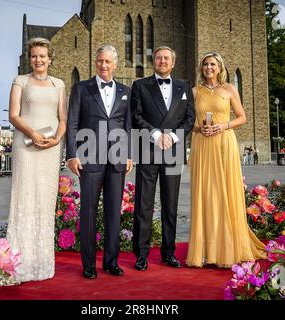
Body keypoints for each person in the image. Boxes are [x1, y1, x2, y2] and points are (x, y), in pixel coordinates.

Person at [186, 51, 266, 268]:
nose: (208, 68)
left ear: (220, 67)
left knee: (225, 193)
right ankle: (205, 250)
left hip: (224, 144)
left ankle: (229, 248)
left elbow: (242, 117)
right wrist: (198, 128)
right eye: (205, 64)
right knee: (205, 194)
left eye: (212, 64)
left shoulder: (230, 89)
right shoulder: (195, 91)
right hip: (202, 144)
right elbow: (187, 122)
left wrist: (223, 125)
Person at [66, 45, 133, 279]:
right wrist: (72, 155)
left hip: (117, 159)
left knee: (114, 212)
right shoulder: (81, 89)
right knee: (88, 212)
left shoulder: (126, 90)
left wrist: (129, 155)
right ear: (95, 62)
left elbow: (127, 126)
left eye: (107, 62)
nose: (103, 65)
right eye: (99, 61)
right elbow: (72, 124)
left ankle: (111, 262)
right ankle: (88, 265)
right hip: (89, 157)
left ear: (115, 64)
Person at [6, 37, 67, 282]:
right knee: (24, 196)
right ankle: (19, 263)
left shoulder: (59, 84)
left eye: (43, 56)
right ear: (29, 58)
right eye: (34, 56)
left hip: (51, 148)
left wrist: (57, 139)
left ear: (50, 58)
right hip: (26, 145)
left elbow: (63, 118)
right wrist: (31, 132)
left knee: (44, 200)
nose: (38, 60)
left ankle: (41, 263)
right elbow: (13, 114)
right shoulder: (20, 81)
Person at [131, 46, 195, 271]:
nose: (162, 61)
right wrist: (157, 134)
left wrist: (173, 138)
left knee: (171, 204)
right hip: (147, 149)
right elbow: (135, 116)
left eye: (166, 58)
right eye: (158, 58)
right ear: (154, 61)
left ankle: (169, 253)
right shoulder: (140, 85)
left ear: (173, 62)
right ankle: (141, 254)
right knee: (144, 204)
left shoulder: (183, 86)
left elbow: (190, 118)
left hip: (173, 151)